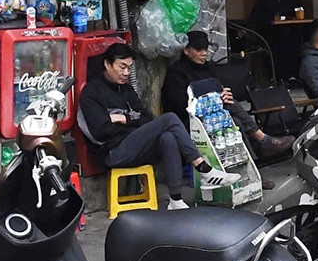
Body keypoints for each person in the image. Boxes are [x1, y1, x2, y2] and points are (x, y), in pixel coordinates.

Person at [79, 42, 223, 208]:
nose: (126, 73)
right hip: (112, 151)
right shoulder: (92, 92)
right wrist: (131, 121)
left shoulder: (126, 90)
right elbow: (100, 130)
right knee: (169, 118)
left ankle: (175, 200)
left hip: (133, 144)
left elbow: (146, 118)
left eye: (130, 67)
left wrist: (122, 118)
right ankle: (201, 166)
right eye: (122, 67)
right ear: (107, 64)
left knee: (168, 137)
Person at [163, 30, 293, 162]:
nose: (204, 53)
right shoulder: (176, 73)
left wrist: (222, 93)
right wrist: (212, 99)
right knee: (228, 103)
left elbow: (218, 87)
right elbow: (180, 104)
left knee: (235, 121)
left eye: (206, 49)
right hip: (189, 120)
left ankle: (251, 165)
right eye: (198, 49)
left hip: (213, 116)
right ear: (186, 50)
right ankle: (262, 139)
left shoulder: (207, 68)